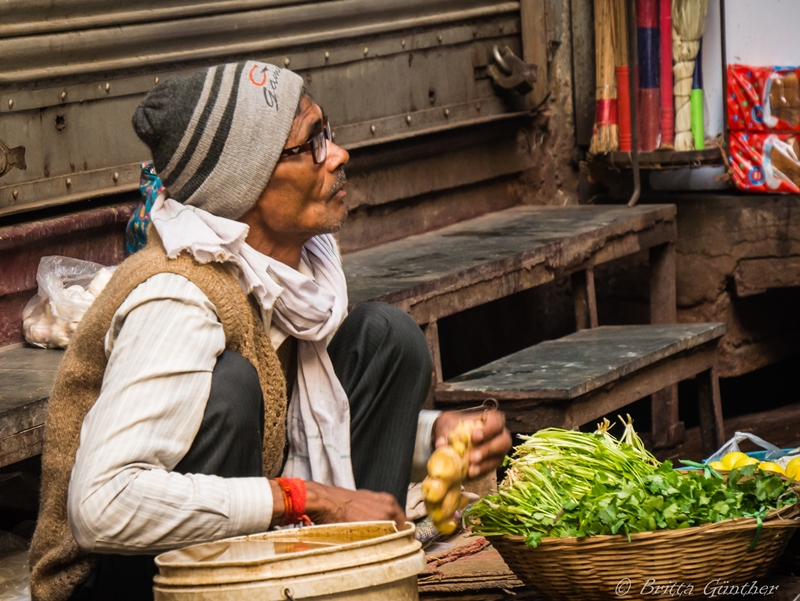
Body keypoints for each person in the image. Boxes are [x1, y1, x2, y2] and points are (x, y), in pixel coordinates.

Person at [28, 61, 512, 601]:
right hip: (120, 585)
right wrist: (308, 498)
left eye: (327, 134)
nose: (339, 155)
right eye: (312, 144)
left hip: (231, 548)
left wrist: (434, 439)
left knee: (387, 339)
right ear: (249, 180)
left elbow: (298, 425)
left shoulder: (289, 275)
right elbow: (104, 508)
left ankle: (357, 583)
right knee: (229, 387)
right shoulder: (177, 296)